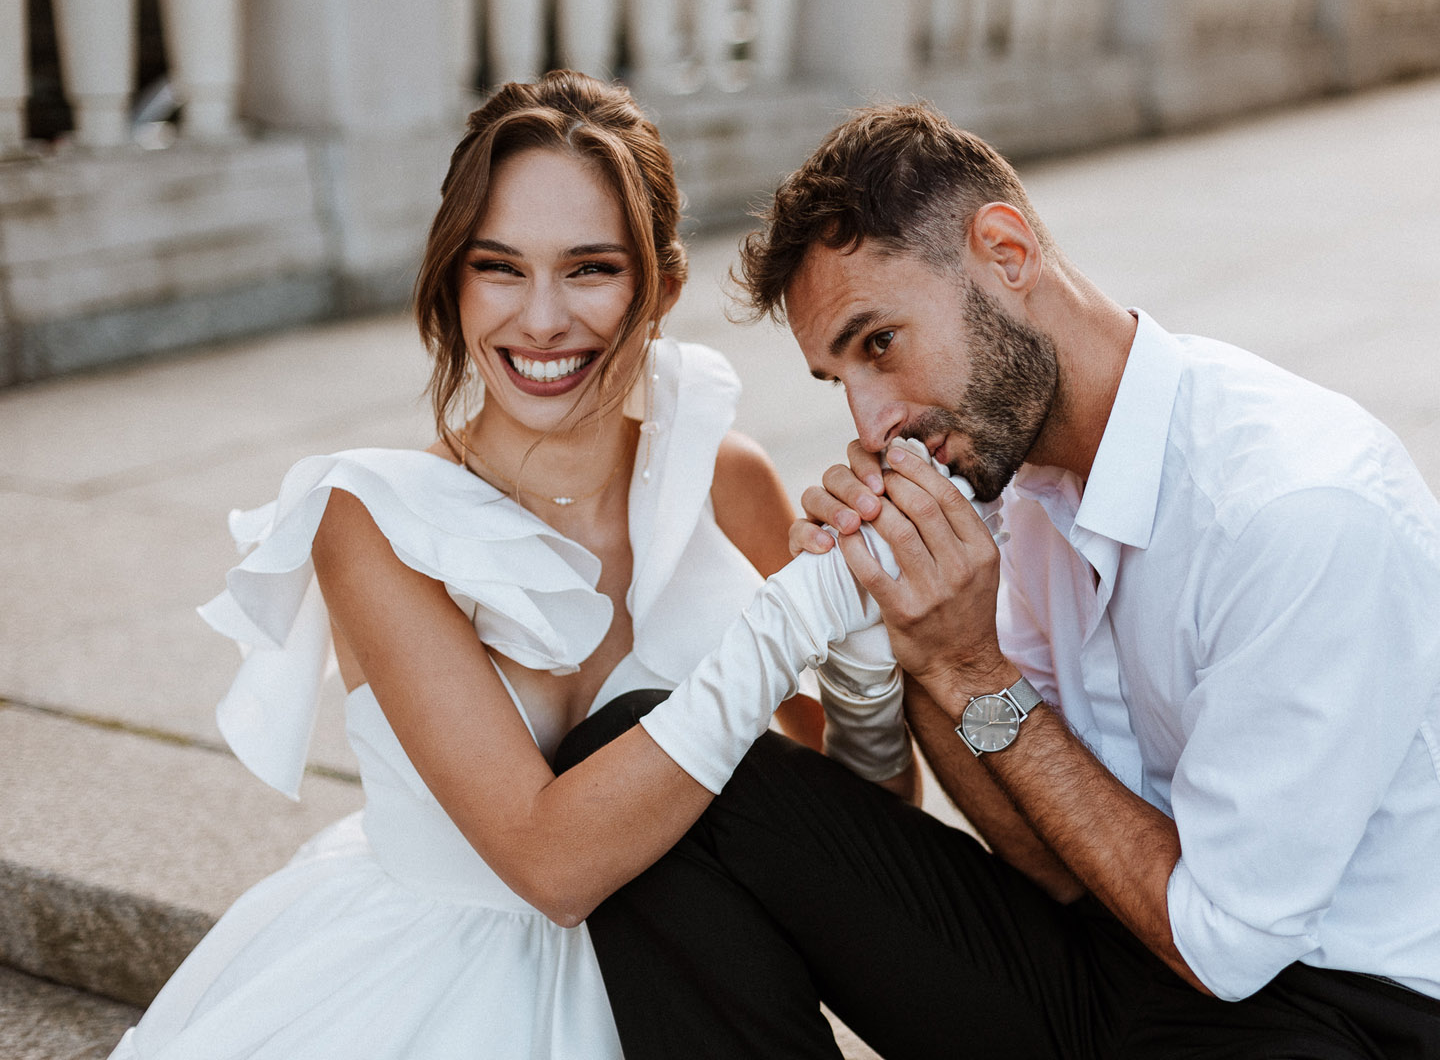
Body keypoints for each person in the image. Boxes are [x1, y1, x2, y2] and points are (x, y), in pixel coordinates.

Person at [562, 104, 1440, 1059]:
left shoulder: (1295, 508)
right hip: (1111, 947)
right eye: (840, 378)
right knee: (647, 770)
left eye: (880, 343)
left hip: (1317, 1013)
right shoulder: (1011, 479)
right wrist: (915, 636)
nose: (872, 422)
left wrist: (970, 665)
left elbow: (1224, 944)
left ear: (1006, 252)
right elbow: (1054, 864)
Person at [109, 70, 919, 1060]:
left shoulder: (724, 477)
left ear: (660, 289)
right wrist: (792, 621)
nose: (540, 320)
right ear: (453, 283)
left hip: (699, 975)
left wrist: (867, 658)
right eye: (499, 268)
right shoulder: (374, 522)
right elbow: (551, 867)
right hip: (431, 992)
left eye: (589, 270)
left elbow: (863, 831)